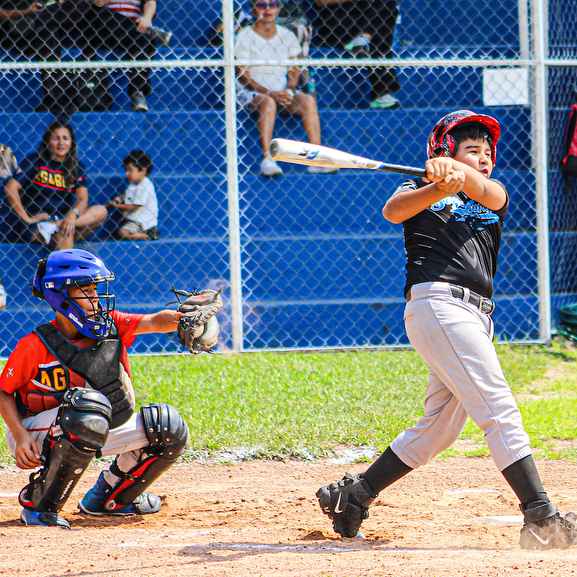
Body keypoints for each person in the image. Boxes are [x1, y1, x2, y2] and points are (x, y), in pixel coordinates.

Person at [316, 110, 577, 549]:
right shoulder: (416, 188)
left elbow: (488, 191)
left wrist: (459, 173)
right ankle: (541, 518)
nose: (484, 157)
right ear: (443, 151)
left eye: (488, 151)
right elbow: (393, 212)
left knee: (440, 429)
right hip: (439, 304)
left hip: (475, 317)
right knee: (498, 408)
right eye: (472, 150)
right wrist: (437, 185)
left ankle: (355, 495)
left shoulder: (491, 194)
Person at [0, 248, 191, 528]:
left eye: (94, 290)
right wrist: (19, 435)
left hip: (90, 423)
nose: (95, 298)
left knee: (166, 427)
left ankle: (109, 498)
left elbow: (153, 321)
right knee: (85, 412)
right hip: (33, 432)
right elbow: (3, 391)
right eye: (86, 291)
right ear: (61, 295)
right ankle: (40, 505)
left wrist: (183, 319)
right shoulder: (35, 345)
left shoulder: (111, 324)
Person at [236, 0, 336, 177]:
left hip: (281, 90)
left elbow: (294, 68)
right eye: (261, 5)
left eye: (273, 4)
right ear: (253, 9)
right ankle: (268, 159)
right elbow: (243, 76)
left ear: (279, 9)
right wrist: (269, 93)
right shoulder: (244, 35)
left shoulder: (287, 35)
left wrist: (289, 89)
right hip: (252, 92)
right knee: (268, 102)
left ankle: (315, 159)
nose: (268, 9)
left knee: (307, 100)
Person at [4, 121, 107, 248]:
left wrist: (72, 215)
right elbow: (10, 188)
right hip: (37, 222)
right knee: (65, 234)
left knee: (101, 211)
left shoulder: (76, 167)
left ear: (71, 143)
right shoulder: (35, 161)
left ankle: (60, 225)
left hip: (62, 220)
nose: (61, 143)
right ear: (48, 142)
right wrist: (27, 219)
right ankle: (62, 233)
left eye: (65, 138)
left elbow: (82, 199)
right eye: (56, 138)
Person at [313, 0, 400, 109]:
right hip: (335, 24)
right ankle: (381, 92)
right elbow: (321, 2)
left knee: (386, 4)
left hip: (366, 22)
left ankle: (363, 39)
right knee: (377, 27)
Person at [108, 149, 159, 241]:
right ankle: (141, 233)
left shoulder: (144, 186)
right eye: (126, 170)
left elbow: (134, 207)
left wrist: (117, 206)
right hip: (134, 221)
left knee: (122, 232)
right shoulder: (133, 183)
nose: (127, 173)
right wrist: (120, 198)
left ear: (143, 170)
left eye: (130, 170)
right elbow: (127, 194)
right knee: (116, 232)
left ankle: (146, 235)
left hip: (143, 222)